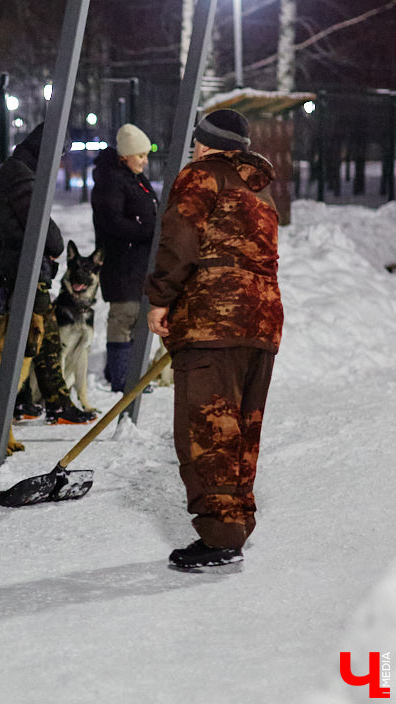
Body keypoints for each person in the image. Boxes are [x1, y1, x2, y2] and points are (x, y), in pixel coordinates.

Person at [146, 108, 282, 571]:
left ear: (204, 144)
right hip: (261, 322)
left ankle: (221, 535)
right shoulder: (259, 192)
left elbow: (180, 239)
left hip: (213, 322)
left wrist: (161, 298)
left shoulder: (201, 175)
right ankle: (236, 521)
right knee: (242, 428)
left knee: (207, 431)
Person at [0, 123, 96, 425]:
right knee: (43, 332)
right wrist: (56, 245)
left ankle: (24, 400)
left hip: (19, 262)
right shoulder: (21, 174)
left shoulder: (19, 169)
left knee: (28, 331)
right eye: (59, 154)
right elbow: (37, 222)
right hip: (24, 264)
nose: (60, 162)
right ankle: (56, 404)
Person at [91, 123, 158, 392]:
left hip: (138, 262)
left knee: (138, 315)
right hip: (122, 263)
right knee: (124, 316)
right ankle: (121, 376)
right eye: (141, 155)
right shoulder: (112, 182)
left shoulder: (134, 178)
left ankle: (129, 373)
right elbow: (112, 223)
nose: (145, 160)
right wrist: (147, 231)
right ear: (126, 155)